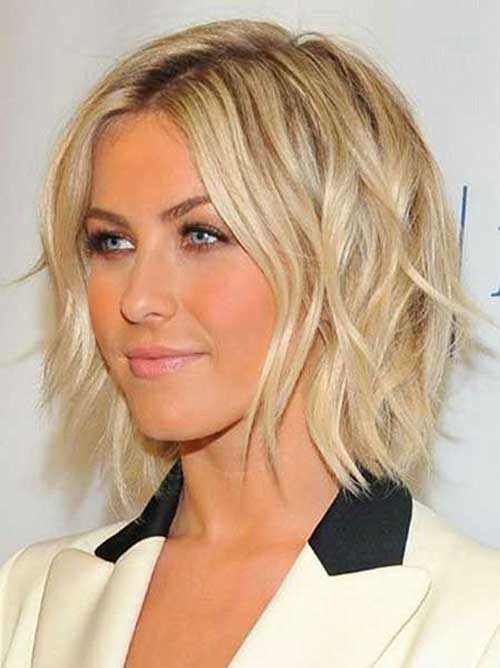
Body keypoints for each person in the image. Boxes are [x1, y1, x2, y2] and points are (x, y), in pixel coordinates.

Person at [0, 17, 499, 667]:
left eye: (201, 235)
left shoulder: (477, 623)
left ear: (341, 261)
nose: (137, 299)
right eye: (112, 241)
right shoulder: (27, 599)